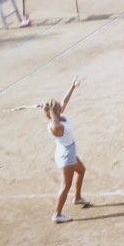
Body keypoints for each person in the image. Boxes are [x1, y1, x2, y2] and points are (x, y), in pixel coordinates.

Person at [44, 77, 89, 223]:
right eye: (57, 107)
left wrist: (72, 87)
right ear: (53, 112)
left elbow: (64, 102)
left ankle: (77, 198)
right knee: (66, 185)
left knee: (81, 170)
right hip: (66, 155)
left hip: (69, 152)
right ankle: (57, 214)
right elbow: (56, 124)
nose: (60, 107)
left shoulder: (59, 116)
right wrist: (51, 112)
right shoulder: (55, 126)